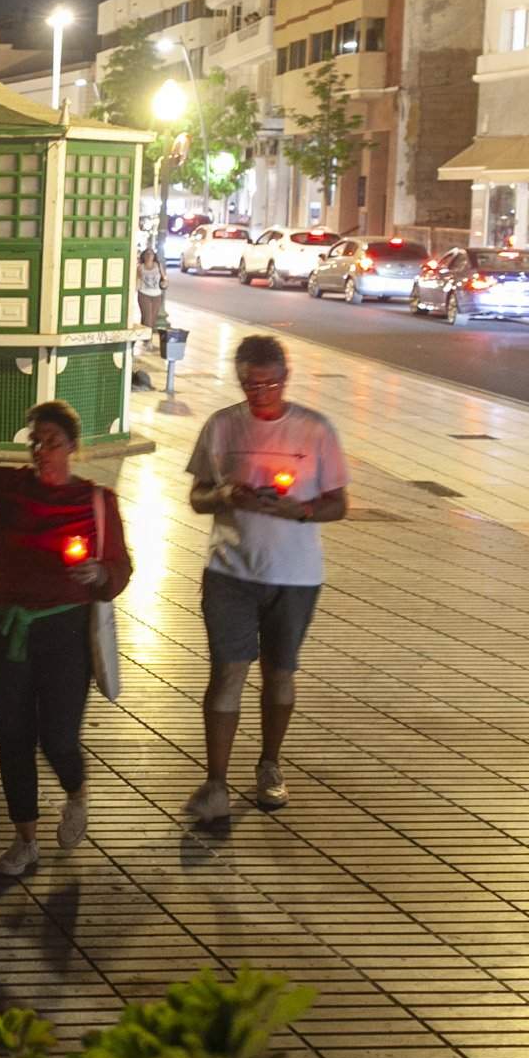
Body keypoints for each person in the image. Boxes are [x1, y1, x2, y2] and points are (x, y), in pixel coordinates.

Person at [0, 394, 131, 876]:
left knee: (58, 736)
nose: (41, 451)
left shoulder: (96, 501)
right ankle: (25, 839)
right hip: (4, 626)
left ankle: (76, 791)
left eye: (51, 442)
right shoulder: (12, 485)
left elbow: (120, 567)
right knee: (13, 732)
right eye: (35, 442)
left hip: (64, 627)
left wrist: (100, 571)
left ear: (73, 446)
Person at [182, 334, 348, 823]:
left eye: (270, 384)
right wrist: (224, 496)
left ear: (286, 377)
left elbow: (338, 504)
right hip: (229, 569)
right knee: (227, 671)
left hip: (295, 575)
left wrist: (302, 510)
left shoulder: (315, 429)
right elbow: (197, 496)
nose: (260, 393)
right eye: (250, 385)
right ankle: (215, 782)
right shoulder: (222, 426)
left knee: (279, 671)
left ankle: (270, 764)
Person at [136, 244, 167, 329]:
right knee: (147, 319)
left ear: (154, 256)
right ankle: (147, 336)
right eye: (147, 254)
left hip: (157, 295)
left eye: (151, 254)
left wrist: (164, 282)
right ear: (143, 256)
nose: (149, 256)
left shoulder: (158, 265)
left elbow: (164, 277)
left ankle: (145, 334)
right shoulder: (140, 267)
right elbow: (137, 280)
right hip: (144, 295)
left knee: (152, 320)